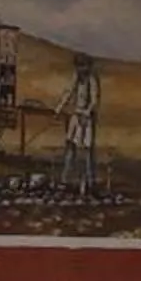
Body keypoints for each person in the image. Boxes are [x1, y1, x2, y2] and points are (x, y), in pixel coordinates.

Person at [55, 55, 101, 194]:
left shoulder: (92, 79)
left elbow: (94, 100)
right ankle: (65, 180)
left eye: (83, 66)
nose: (80, 69)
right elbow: (69, 92)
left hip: (87, 117)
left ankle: (90, 181)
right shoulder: (76, 77)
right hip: (76, 114)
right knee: (70, 145)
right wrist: (59, 107)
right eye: (79, 66)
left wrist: (87, 113)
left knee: (87, 150)